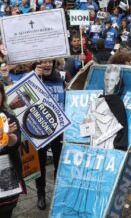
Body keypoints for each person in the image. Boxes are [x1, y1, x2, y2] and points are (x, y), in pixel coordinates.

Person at [33, 59, 65, 210]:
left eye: (49, 62)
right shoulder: (34, 78)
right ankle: (40, 193)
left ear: (53, 63)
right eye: (43, 62)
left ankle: (59, 193)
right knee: (40, 163)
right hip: (40, 129)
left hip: (59, 130)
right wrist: (34, 79)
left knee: (59, 162)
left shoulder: (60, 78)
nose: (47, 65)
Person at [0, 82, 24, 218]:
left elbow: (16, 143)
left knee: (5, 212)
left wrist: (9, 137)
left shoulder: (8, 117)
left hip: (6, 174)